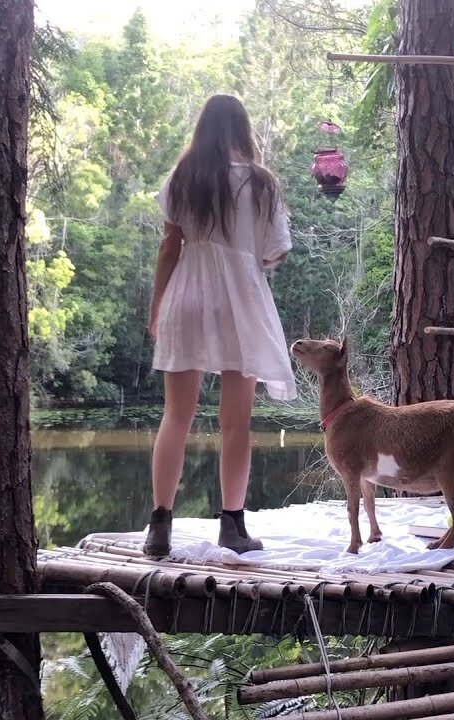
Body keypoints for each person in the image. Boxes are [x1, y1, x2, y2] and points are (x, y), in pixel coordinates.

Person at [143, 94, 298, 557]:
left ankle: (160, 526)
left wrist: (156, 307)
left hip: (187, 294)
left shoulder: (184, 176)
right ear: (243, 129)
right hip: (241, 303)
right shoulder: (262, 183)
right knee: (236, 424)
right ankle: (232, 526)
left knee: (177, 415)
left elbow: (170, 247)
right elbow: (275, 251)